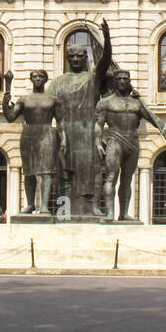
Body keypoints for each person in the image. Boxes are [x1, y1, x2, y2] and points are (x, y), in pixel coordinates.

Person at [46, 20, 113, 216]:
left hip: (88, 131)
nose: (75, 59)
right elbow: (48, 107)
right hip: (65, 131)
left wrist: (107, 38)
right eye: (72, 56)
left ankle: (93, 206)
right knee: (63, 174)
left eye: (80, 56)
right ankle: (63, 209)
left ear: (86, 58)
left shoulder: (92, 77)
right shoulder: (58, 82)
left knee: (92, 171)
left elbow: (106, 61)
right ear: (67, 58)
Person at [95, 69, 166, 220]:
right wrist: (98, 142)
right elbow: (98, 124)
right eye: (120, 79)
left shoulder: (136, 103)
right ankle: (110, 213)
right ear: (115, 82)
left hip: (133, 142)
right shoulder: (105, 102)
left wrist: (163, 127)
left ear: (129, 81)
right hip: (114, 141)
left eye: (126, 79)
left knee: (127, 179)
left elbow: (153, 119)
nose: (123, 81)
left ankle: (123, 214)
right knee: (111, 176)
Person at [2, 69, 65, 214]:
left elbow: (61, 122)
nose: (38, 79)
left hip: (47, 132)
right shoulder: (24, 100)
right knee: (28, 171)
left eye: (41, 76)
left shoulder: (53, 100)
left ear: (45, 79)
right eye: (35, 76)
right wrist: (6, 96)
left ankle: (44, 206)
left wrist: (64, 139)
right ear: (31, 79)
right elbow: (10, 117)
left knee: (46, 171)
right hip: (29, 133)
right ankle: (30, 204)